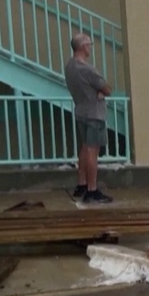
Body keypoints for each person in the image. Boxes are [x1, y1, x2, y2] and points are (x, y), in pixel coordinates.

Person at [64, 32, 114, 204]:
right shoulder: (87, 69)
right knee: (93, 151)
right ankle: (92, 190)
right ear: (84, 47)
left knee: (85, 148)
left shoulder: (70, 66)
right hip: (94, 114)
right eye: (89, 44)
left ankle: (82, 184)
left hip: (81, 111)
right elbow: (107, 88)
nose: (90, 47)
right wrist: (100, 92)